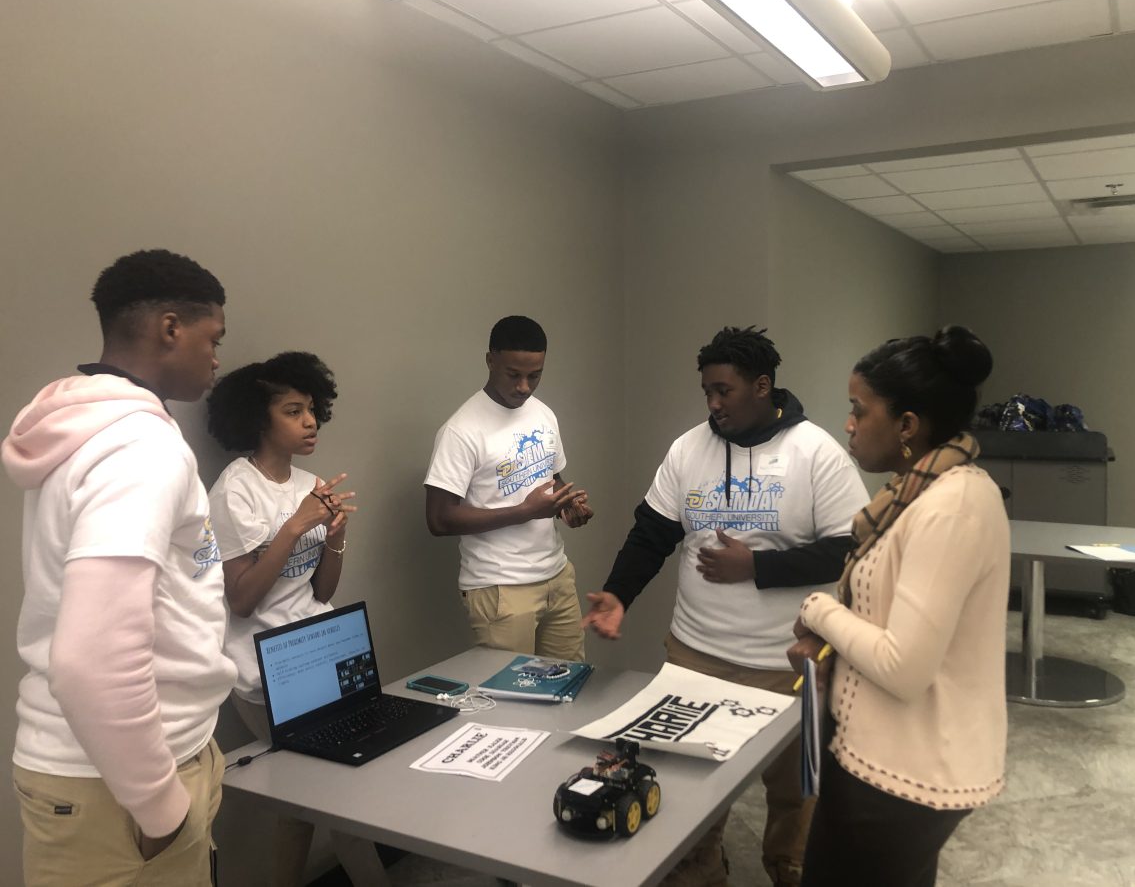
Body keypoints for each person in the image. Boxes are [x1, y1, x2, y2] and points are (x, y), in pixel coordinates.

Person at [583, 325, 868, 887]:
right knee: (690, 786)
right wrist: (619, 593)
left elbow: (852, 551)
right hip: (695, 654)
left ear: (762, 386)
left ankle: (789, 871)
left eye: (724, 392)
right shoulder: (689, 448)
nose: (713, 405)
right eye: (706, 393)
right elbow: (652, 533)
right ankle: (699, 870)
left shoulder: (817, 454)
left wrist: (758, 568)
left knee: (797, 792)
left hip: (788, 664)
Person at [2, 249, 236, 886]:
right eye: (212, 338)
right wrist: (161, 808)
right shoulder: (140, 449)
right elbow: (91, 658)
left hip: (128, 766)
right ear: (169, 328)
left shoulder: (90, 432)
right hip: (122, 788)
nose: (217, 357)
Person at [786, 326, 1010, 887]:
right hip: (870, 750)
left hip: (904, 771)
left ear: (907, 425)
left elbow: (903, 666)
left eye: (859, 410)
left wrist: (818, 611)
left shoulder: (950, 506)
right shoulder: (912, 495)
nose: (849, 424)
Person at [206, 351, 384, 887]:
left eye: (311, 409)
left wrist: (334, 539)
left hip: (323, 646)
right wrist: (294, 526)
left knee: (316, 795)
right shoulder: (234, 489)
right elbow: (242, 601)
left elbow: (322, 590)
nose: (310, 422)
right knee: (325, 794)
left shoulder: (308, 482)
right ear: (260, 420)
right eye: (293, 411)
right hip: (265, 668)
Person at [425, 315, 592, 661]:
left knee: (569, 688)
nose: (524, 387)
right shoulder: (461, 430)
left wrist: (567, 506)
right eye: (513, 374)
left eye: (535, 375)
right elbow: (438, 520)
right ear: (490, 361)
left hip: (557, 576)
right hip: (500, 587)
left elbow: (551, 479)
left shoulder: (543, 414)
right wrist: (524, 512)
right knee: (511, 703)